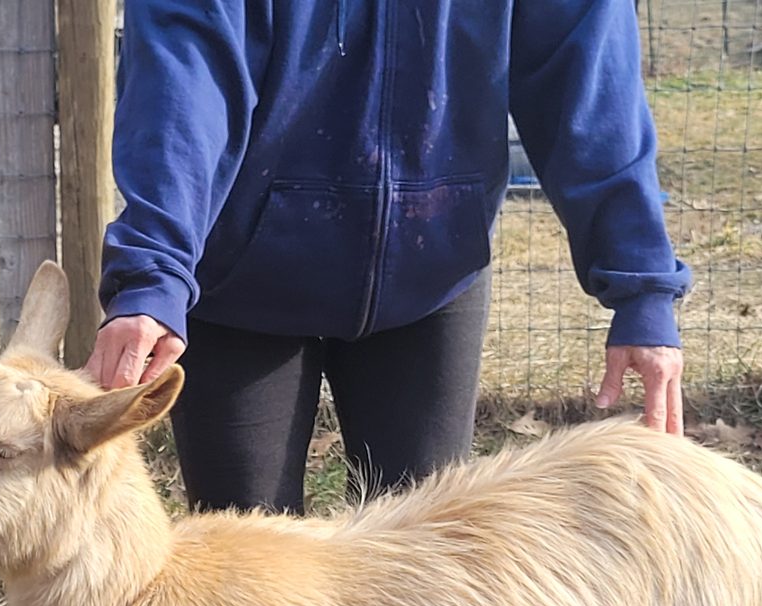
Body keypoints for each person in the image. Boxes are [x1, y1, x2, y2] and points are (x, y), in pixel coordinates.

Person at [85, 0, 692, 516]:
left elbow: (586, 82)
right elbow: (185, 78)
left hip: (431, 276)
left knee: (424, 575)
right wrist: (155, 271)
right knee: (244, 576)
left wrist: (642, 287)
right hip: (240, 281)